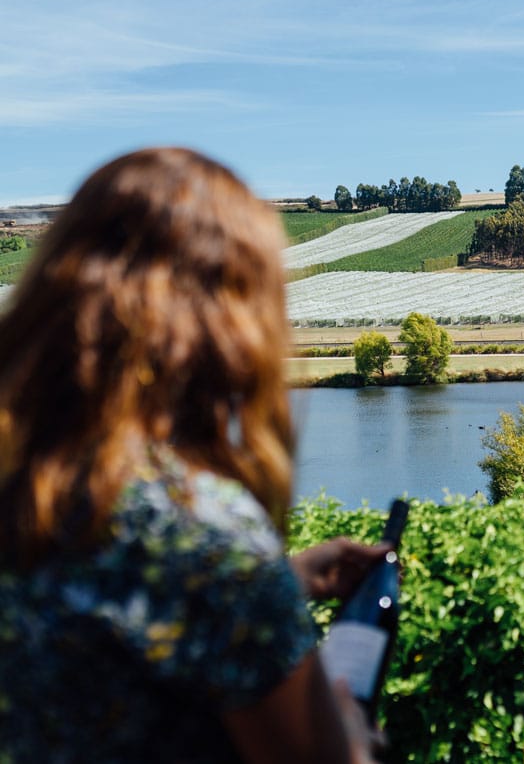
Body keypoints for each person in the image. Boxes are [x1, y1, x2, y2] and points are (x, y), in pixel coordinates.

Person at [0, 148, 387, 763]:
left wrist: (279, 583)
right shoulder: (203, 534)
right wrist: (349, 732)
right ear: (226, 324)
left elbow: (106, 623)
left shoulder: (32, 485)